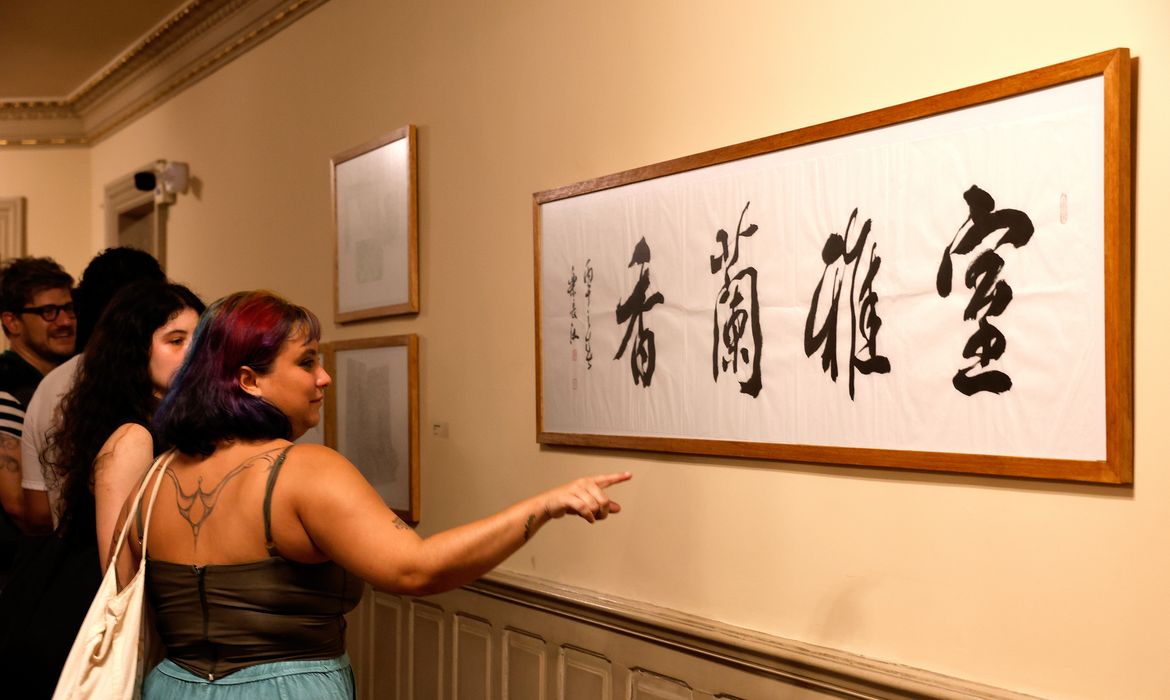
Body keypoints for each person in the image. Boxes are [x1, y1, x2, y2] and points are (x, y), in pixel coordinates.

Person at [115, 291, 629, 699]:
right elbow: (416, 568)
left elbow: (127, 603)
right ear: (249, 379)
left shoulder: (154, 479)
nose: (324, 377)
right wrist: (542, 505)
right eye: (306, 363)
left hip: (170, 686)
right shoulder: (303, 471)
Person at [2, 280, 202, 700]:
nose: (193, 352)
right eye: (175, 340)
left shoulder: (170, 426)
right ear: (135, 351)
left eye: (198, 339)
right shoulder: (133, 435)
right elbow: (118, 569)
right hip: (82, 625)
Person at [18, 247, 165, 533]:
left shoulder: (52, 384)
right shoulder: (153, 381)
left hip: (70, 561)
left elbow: (37, 511)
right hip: (132, 564)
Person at [0, 257, 75, 586]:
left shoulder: (69, 381)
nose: (64, 321)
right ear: (12, 322)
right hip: (19, 576)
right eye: (48, 312)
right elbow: (19, 505)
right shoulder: (6, 387)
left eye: (69, 309)